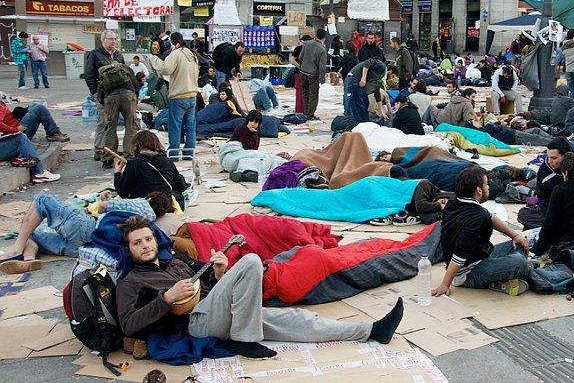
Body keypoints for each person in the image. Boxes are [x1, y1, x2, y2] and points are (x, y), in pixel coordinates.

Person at [114, 216, 405, 354]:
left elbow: (209, 287)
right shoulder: (131, 282)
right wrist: (165, 298)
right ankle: (243, 339)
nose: (145, 245)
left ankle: (372, 331)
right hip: (193, 324)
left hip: (217, 311)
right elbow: (128, 324)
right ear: (129, 249)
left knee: (297, 320)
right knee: (252, 260)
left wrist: (218, 274)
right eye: (137, 243)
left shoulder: (173, 261)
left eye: (148, 239)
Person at [0, 191, 165, 274]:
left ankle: (17, 248)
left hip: (90, 229)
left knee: (43, 200)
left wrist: (104, 200)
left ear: (149, 199)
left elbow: (104, 207)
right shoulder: (151, 223)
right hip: (88, 248)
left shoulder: (143, 205)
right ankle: (28, 259)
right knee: (34, 233)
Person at [432, 166, 533, 297]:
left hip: (480, 257)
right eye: (486, 184)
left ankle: (501, 276)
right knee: (521, 264)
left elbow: (490, 217)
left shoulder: (455, 201)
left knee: (519, 244)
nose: (489, 187)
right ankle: (494, 280)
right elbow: (459, 254)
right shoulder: (477, 217)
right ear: (479, 190)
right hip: (467, 272)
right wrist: (445, 284)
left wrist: (515, 235)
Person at [86, 30, 138, 168]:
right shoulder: (95, 54)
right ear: (103, 40)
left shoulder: (118, 55)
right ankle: (103, 152)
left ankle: (128, 155)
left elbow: (127, 74)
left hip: (122, 94)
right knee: (107, 124)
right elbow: (89, 75)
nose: (113, 41)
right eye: (110, 39)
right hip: (106, 95)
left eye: (115, 39)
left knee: (129, 125)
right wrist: (95, 94)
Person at [146, 33, 200, 158]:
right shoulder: (193, 55)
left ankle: (173, 154)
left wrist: (154, 59)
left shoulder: (176, 53)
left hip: (179, 96)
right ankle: (189, 154)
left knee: (175, 126)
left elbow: (166, 70)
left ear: (174, 43)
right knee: (190, 126)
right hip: (192, 95)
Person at [114, 130, 188, 210]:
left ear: (138, 145)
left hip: (143, 207)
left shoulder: (134, 164)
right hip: (165, 208)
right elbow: (180, 187)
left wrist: (117, 172)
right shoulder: (167, 162)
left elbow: (123, 193)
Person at [517, 137, 571, 230]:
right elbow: (542, 198)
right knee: (523, 213)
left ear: (565, 156)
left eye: (554, 158)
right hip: (549, 211)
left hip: (570, 213)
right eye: (548, 157)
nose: (550, 161)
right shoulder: (545, 170)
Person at [0, 99, 70, 142]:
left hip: (17, 125)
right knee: (40, 108)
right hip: (18, 133)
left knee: (35, 104)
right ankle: (53, 133)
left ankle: (53, 132)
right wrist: (15, 130)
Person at [344, 58, 387, 124]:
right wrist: (363, 78)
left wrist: (381, 111)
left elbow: (377, 94)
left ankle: (365, 124)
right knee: (358, 105)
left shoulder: (377, 80)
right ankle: (361, 125)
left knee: (365, 103)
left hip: (359, 83)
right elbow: (367, 62)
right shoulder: (381, 66)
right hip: (355, 79)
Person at [298, 28, 328, 121]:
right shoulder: (322, 49)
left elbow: (300, 57)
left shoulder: (307, 44)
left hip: (303, 72)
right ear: (324, 38)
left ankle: (306, 112)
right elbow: (322, 66)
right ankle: (310, 114)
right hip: (313, 74)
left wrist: (302, 67)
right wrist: (322, 78)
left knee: (305, 92)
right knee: (313, 95)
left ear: (315, 35)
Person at [290, 35, 310, 114]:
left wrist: (299, 67)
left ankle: (300, 110)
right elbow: (292, 60)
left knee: (300, 93)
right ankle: (304, 110)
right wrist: (300, 67)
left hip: (301, 73)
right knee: (304, 92)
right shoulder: (301, 49)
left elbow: (292, 60)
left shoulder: (299, 48)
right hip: (306, 73)